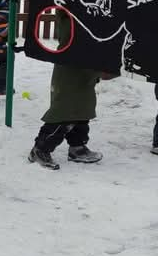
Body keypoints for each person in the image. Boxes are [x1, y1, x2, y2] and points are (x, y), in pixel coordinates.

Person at [28, 14, 112, 170]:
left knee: (83, 108)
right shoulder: (71, 12)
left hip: (87, 64)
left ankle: (77, 147)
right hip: (70, 64)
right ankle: (40, 149)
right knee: (64, 111)